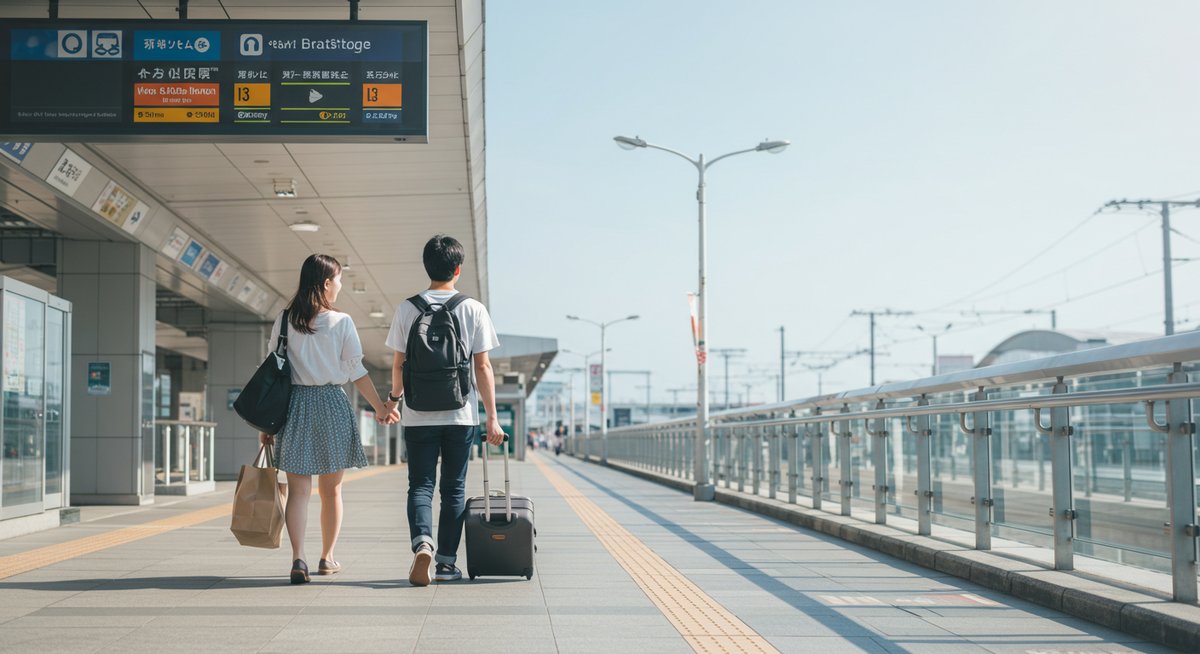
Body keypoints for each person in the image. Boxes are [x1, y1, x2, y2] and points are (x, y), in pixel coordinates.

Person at [259, 254, 398, 585]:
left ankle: (298, 559)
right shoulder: (342, 322)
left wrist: (267, 426)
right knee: (332, 491)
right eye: (338, 280)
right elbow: (356, 372)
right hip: (332, 404)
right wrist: (382, 408)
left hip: (293, 406)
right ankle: (327, 557)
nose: (340, 286)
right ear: (325, 283)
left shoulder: (284, 320)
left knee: (298, 491)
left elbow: (271, 371)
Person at [384, 235, 505, 586]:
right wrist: (492, 418)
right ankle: (447, 564)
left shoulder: (407, 309)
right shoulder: (473, 308)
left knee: (420, 485)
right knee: (453, 489)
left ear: (426, 267)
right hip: (460, 415)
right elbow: (482, 368)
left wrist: (393, 400)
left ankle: (422, 541)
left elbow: (398, 365)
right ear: (458, 269)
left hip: (417, 414)